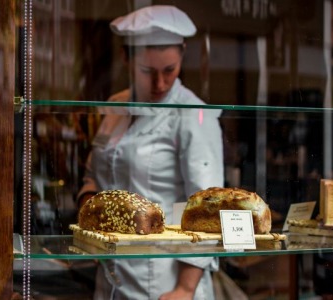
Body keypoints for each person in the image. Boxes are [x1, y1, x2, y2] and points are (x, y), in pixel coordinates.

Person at [77, 5, 224, 300]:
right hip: (111, 276)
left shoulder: (194, 115)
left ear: (182, 56)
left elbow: (207, 209)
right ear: (125, 59)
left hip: (164, 281)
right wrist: (89, 211)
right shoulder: (115, 107)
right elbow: (94, 175)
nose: (159, 84)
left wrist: (184, 289)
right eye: (147, 72)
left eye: (169, 71)